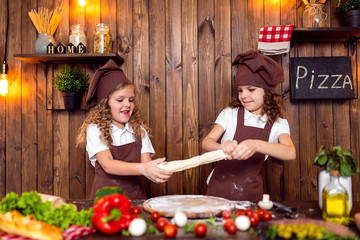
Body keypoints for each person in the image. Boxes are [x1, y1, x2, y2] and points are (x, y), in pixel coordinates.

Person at [202, 50, 296, 201]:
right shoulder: (230, 114)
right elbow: (206, 142)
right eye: (240, 90)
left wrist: (257, 145)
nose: (243, 95)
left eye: (251, 89)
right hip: (217, 192)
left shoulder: (278, 124)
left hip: (250, 196)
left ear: (267, 92)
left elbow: (290, 152)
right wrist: (221, 147)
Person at [77, 59, 172, 200]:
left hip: (136, 199)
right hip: (106, 201)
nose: (127, 104)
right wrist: (144, 169)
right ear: (105, 104)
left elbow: (146, 165)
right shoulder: (95, 130)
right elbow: (108, 165)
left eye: (131, 100)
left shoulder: (139, 131)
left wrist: (157, 170)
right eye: (120, 100)